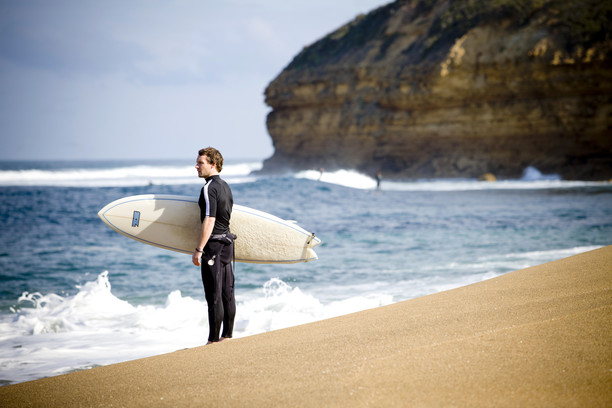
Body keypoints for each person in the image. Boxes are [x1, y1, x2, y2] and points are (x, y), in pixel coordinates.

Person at [192, 147, 236, 344]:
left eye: (200, 163)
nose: (197, 166)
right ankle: (227, 336)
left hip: (214, 247)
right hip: (227, 244)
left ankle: (212, 340)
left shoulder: (209, 187)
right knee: (228, 292)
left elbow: (209, 219)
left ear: (213, 164)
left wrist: (199, 249)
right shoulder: (226, 186)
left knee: (214, 295)